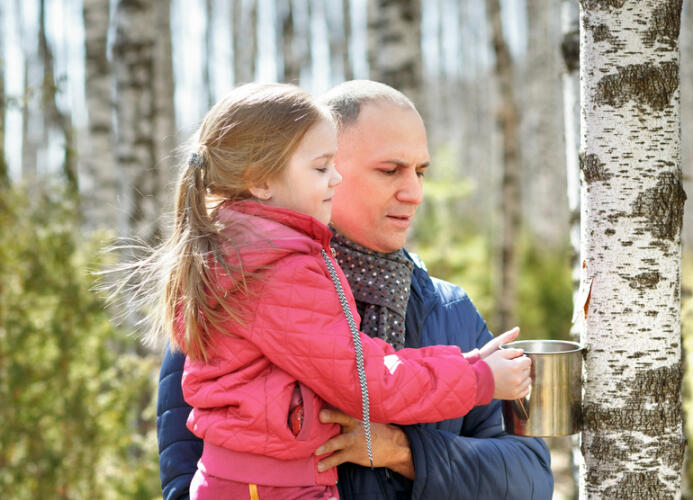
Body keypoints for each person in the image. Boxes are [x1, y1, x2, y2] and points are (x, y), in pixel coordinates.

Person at [157, 80, 555, 499]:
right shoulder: (222, 290)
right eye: (390, 170)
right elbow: (186, 481)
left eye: (420, 172)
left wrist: (404, 453)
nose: (415, 193)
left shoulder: (447, 309)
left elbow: (529, 478)